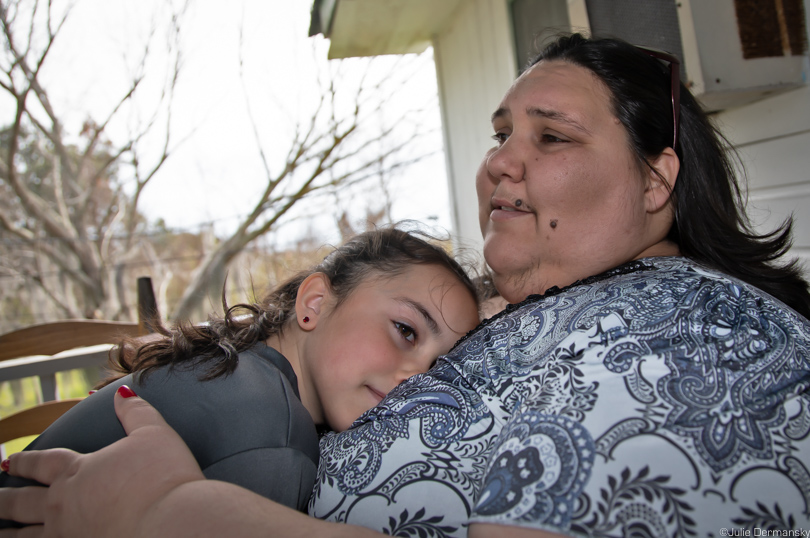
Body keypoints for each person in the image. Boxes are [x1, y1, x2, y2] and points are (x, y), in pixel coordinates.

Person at [2, 33, 810, 537]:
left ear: (656, 180)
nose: (499, 159)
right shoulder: (560, 301)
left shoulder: (699, 333)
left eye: (551, 136)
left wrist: (166, 514)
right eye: (500, 134)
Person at [0, 228, 479, 519]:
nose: (417, 378)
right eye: (406, 330)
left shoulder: (231, 367)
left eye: (438, 370)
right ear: (315, 303)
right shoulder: (273, 438)